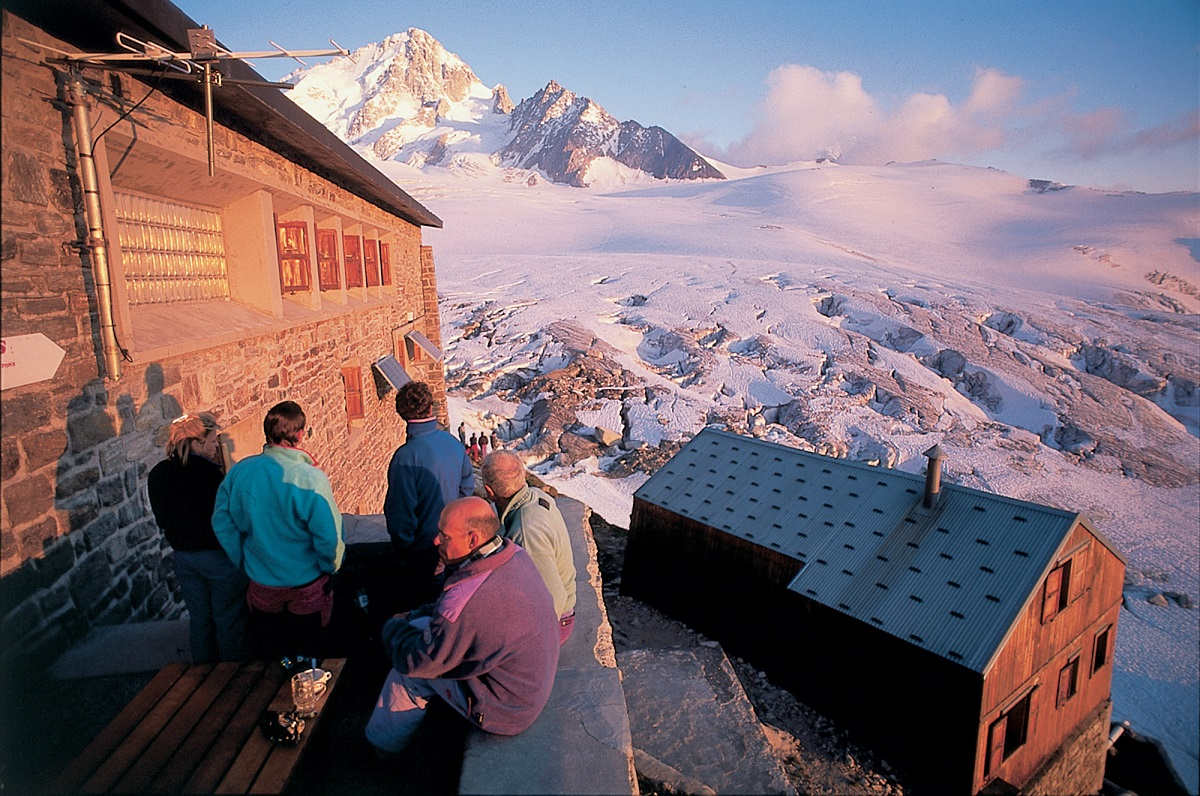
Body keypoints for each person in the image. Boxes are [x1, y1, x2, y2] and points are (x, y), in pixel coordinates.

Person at [365, 497, 559, 754]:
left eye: (444, 536)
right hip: (526, 683)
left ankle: (380, 747)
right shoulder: (513, 554)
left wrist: (392, 628)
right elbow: (451, 613)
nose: (436, 541)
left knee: (407, 674)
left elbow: (420, 661)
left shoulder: (467, 601)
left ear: (472, 539)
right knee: (421, 625)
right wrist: (415, 617)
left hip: (506, 710)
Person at [212, 401, 343, 659]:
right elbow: (329, 536)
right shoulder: (309, 477)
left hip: (262, 581)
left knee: (272, 654)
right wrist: (331, 566)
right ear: (300, 434)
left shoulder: (241, 471)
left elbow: (222, 521)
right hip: (306, 582)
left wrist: (242, 560)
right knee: (310, 654)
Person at [148, 412, 247, 662]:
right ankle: (232, 676)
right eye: (212, 441)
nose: (216, 447)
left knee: (200, 620)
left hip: (183, 557)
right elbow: (228, 519)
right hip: (217, 558)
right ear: (196, 443)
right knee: (228, 619)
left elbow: (162, 519)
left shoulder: (158, 474)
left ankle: (204, 675)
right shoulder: (211, 476)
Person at [383, 382, 474, 605]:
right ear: (430, 408)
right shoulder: (453, 443)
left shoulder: (405, 457)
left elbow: (400, 514)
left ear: (401, 413)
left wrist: (406, 551)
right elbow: (467, 490)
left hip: (423, 552)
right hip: (457, 544)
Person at [481, 451, 577, 644]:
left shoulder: (526, 532)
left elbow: (553, 601)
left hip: (554, 624)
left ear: (489, 491)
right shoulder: (535, 495)